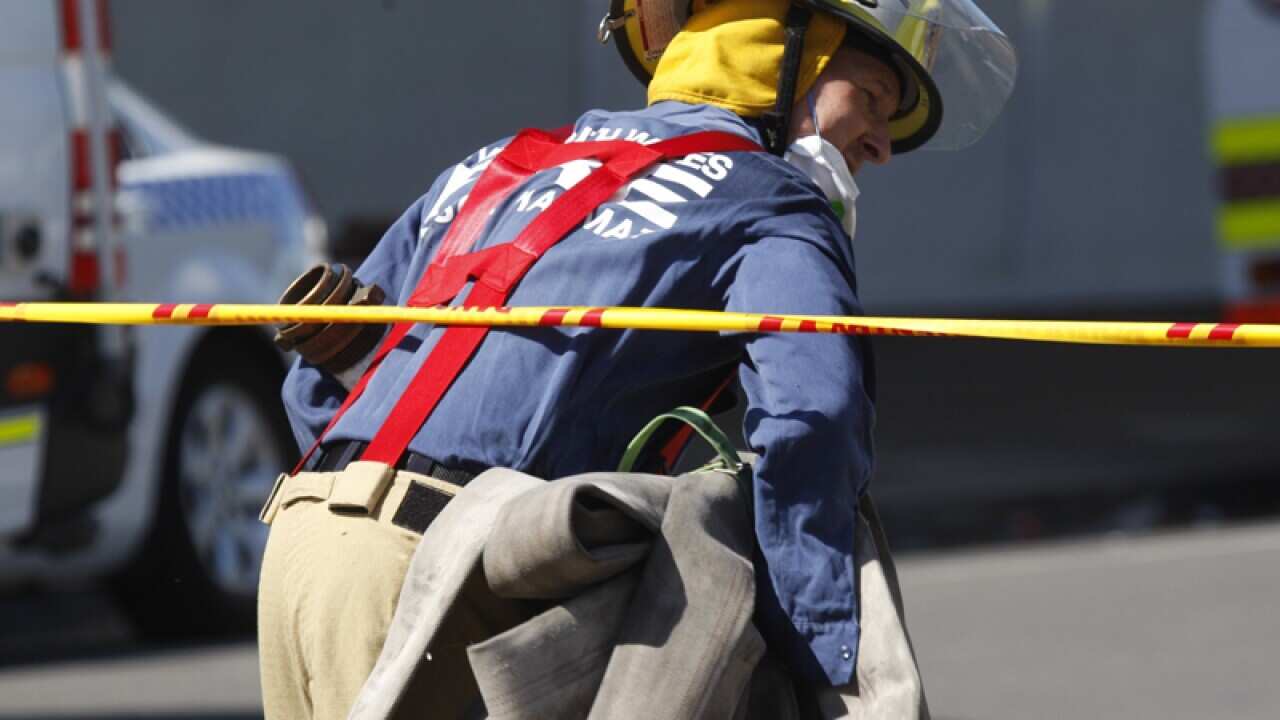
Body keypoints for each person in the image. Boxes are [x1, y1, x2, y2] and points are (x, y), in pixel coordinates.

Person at [256, 1, 1017, 718]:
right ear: (785, 55)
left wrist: (356, 524)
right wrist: (824, 661)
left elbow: (319, 384)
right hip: (436, 584)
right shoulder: (774, 199)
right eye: (874, 98)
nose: (882, 144)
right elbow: (811, 417)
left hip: (294, 547)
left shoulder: (498, 163)